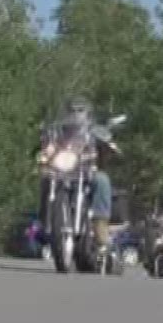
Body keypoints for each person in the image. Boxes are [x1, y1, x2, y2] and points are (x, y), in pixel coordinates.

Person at [36, 96, 115, 251]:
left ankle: (100, 228)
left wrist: (108, 143)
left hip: (85, 171)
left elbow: (109, 143)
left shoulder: (93, 130)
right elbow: (45, 146)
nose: (76, 113)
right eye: (73, 110)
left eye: (80, 110)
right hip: (61, 171)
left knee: (102, 180)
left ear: (87, 113)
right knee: (45, 178)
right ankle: (44, 221)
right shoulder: (57, 131)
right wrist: (43, 147)